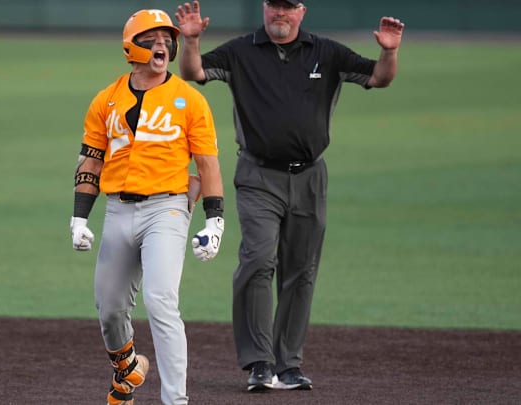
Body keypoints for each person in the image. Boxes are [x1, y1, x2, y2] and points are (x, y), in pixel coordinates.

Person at [175, 0, 404, 392]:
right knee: (258, 259)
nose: (280, 13)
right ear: (265, 9)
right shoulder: (240, 51)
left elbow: (380, 79)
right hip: (258, 174)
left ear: (302, 10)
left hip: (310, 177)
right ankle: (259, 363)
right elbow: (194, 72)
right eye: (274, 5)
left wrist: (389, 51)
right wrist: (191, 42)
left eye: (288, 6)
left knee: (300, 272)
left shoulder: (327, 53)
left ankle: (289, 365)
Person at [69, 8, 225, 405]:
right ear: (130, 46)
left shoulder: (189, 100)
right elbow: (91, 159)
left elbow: (207, 164)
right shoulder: (106, 100)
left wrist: (216, 220)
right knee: (109, 309)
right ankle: (126, 371)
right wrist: (78, 217)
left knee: (160, 300)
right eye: (151, 38)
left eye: (166, 39)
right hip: (118, 209)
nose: (162, 44)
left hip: (168, 209)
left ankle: (175, 401)